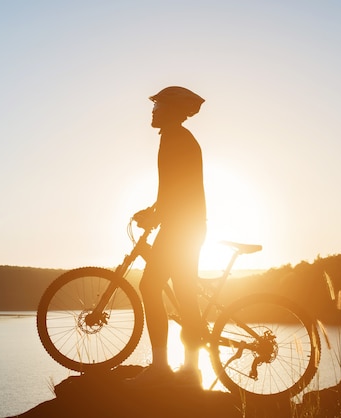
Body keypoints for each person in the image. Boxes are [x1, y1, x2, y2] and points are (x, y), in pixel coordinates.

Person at [131, 86, 207, 387]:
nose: (153, 111)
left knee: (150, 286)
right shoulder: (178, 138)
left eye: (158, 105)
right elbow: (173, 189)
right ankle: (190, 369)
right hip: (187, 225)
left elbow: (175, 189)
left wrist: (155, 215)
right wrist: (154, 211)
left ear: (172, 111)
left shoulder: (176, 139)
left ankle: (163, 367)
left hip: (181, 228)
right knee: (185, 292)